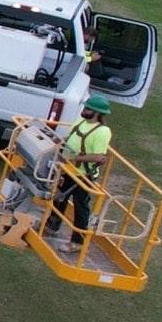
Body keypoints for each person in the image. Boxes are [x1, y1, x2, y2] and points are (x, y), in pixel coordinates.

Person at [49, 95, 115, 250]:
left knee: (81, 207)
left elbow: (99, 156)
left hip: (84, 175)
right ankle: (51, 226)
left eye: (88, 109)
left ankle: (77, 242)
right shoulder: (81, 122)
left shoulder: (102, 131)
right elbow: (70, 137)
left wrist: (73, 157)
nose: (84, 110)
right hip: (69, 170)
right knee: (59, 198)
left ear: (98, 113)